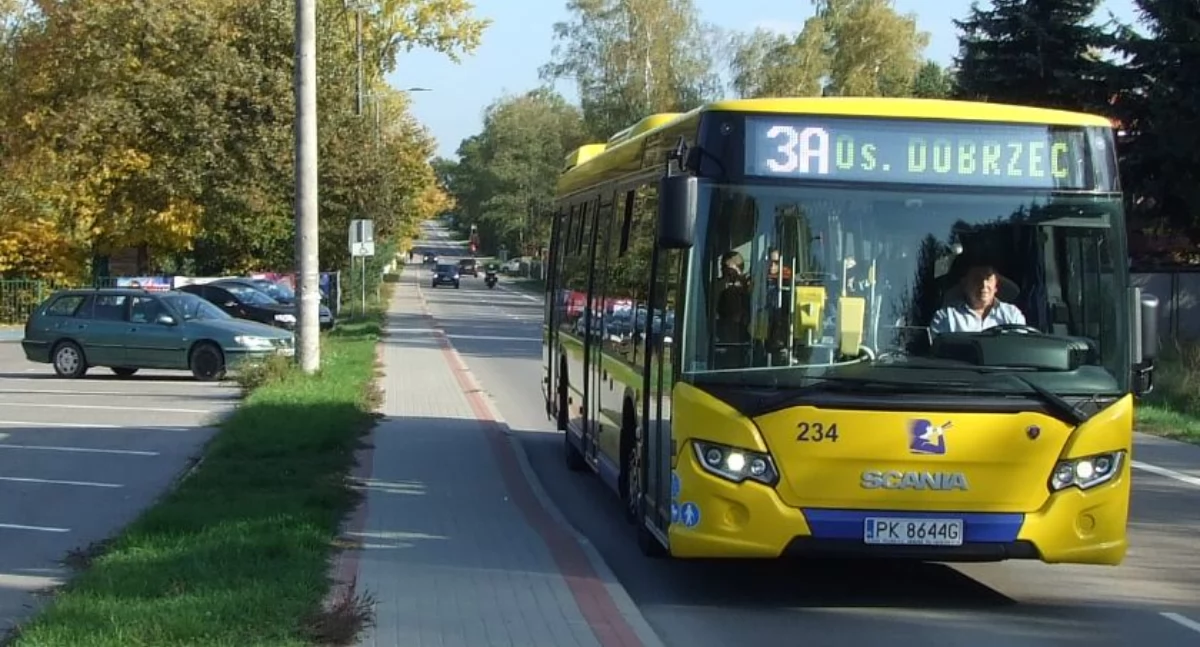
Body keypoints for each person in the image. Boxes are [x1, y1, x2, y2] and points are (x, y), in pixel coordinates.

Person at [930, 263, 1026, 333]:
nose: (983, 285)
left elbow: (1021, 352)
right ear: (965, 284)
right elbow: (937, 356)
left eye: (988, 278)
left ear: (996, 285)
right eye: (977, 278)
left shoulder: (1013, 315)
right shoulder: (946, 317)